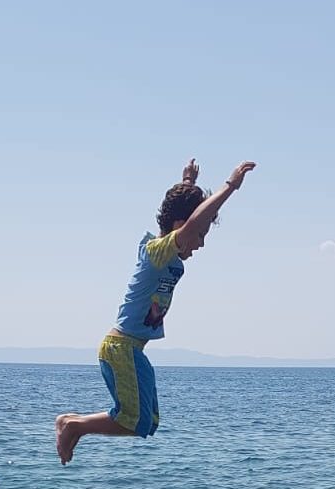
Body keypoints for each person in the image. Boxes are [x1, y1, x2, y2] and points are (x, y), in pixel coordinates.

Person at [55, 158, 257, 464]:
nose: (199, 245)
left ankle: (73, 422)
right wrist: (230, 187)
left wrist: (187, 185)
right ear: (181, 228)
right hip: (120, 348)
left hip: (132, 351)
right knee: (133, 420)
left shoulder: (166, 250)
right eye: (200, 236)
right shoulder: (157, 251)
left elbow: (184, 217)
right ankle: (75, 426)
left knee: (148, 424)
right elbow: (190, 223)